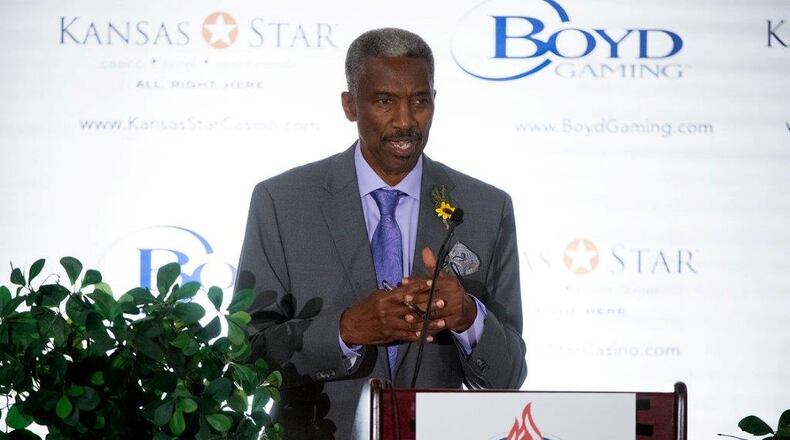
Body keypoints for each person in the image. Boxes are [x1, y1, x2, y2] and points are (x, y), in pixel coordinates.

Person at [236, 27, 527, 439]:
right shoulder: (282, 202)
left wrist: (467, 319)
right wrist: (345, 330)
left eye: (419, 101)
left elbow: (509, 376)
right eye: (385, 101)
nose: (406, 121)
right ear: (350, 105)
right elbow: (247, 354)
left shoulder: (486, 208)